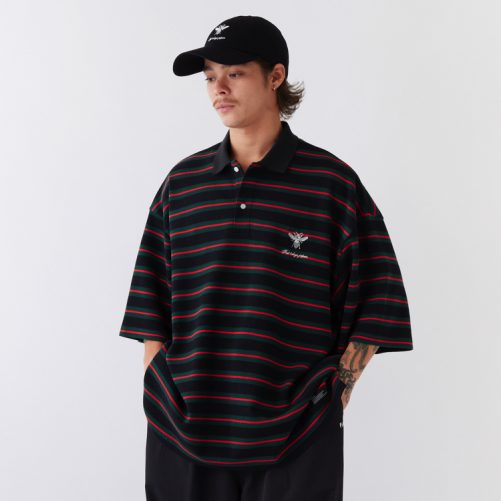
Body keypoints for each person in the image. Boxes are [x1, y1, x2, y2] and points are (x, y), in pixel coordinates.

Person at [119, 14, 413, 501]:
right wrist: (162, 394)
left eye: (234, 73)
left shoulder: (331, 184)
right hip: (182, 435)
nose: (218, 89)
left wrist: (330, 400)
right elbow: (151, 303)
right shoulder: (183, 184)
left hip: (297, 441)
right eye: (210, 76)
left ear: (276, 77)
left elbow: (377, 300)